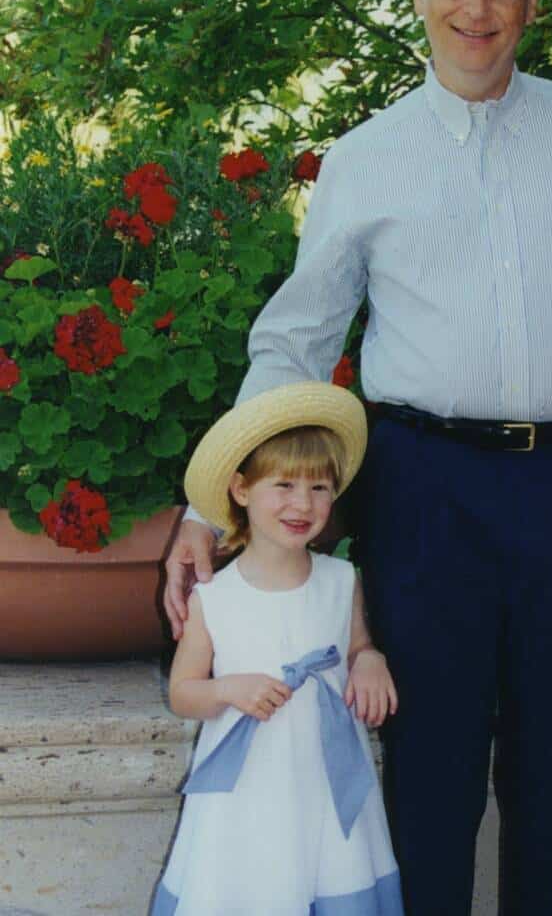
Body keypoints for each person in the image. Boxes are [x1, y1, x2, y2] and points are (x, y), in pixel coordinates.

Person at [163, 0, 552, 915]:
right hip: (426, 488)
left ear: (534, 1)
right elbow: (297, 336)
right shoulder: (367, 157)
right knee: (428, 765)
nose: (479, 5)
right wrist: (214, 505)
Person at [152, 381, 403, 915]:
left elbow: (357, 644)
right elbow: (182, 692)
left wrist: (370, 660)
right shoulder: (216, 598)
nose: (302, 503)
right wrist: (227, 689)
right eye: (284, 485)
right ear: (242, 490)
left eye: (319, 488)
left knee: (334, 875)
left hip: (326, 777)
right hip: (251, 790)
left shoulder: (339, 579)